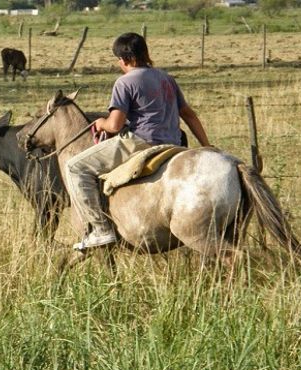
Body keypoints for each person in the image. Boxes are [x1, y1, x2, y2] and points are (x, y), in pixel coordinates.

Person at [65, 32, 211, 251]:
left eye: (119, 60)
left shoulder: (125, 82)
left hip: (141, 142)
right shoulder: (166, 78)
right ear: (145, 54)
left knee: (75, 167)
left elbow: (115, 125)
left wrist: (100, 123)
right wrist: (207, 146)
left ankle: (100, 230)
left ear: (124, 59)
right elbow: (189, 115)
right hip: (174, 142)